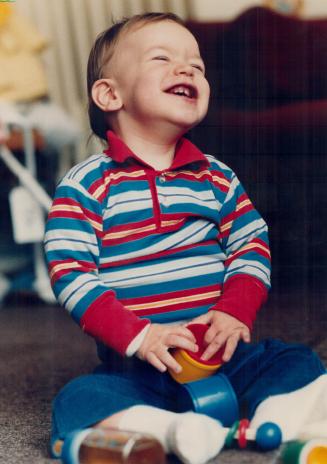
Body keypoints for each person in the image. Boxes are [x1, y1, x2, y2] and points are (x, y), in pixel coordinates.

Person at [44, 12, 326, 464]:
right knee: (79, 399)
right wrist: (139, 336)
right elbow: (70, 272)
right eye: (163, 58)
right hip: (139, 368)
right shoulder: (87, 185)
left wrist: (235, 310)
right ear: (109, 93)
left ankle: (280, 417)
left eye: (196, 65)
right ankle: (171, 431)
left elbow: (251, 245)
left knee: (299, 363)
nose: (187, 69)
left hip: (223, 355)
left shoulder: (216, 177)